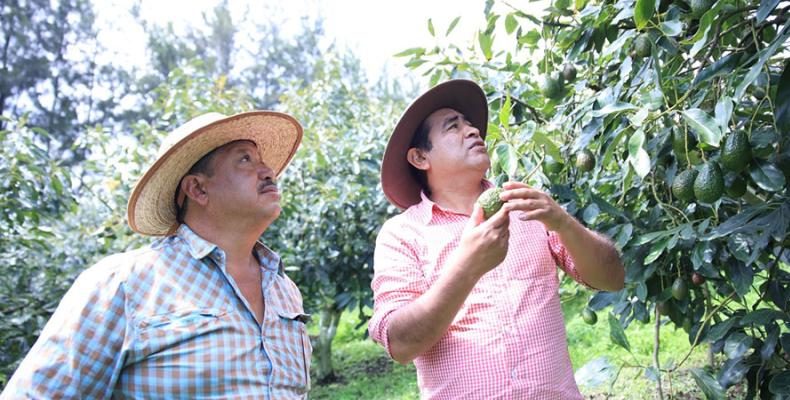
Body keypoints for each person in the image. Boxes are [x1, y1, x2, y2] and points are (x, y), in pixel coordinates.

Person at [1, 111, 312, 399]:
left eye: (262, 161)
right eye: (245, 159)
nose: (267, 171)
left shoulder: (284, 291)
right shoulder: (122, 283)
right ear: (198, 189)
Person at [368, 79, 625, 399]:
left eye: (470, 124)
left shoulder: (527, 207)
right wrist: (467, 267)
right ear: (420, 158)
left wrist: (563, 222)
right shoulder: (402, 234)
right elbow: (401, 344)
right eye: (453, 127)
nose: (473, 131)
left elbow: (613, 278)